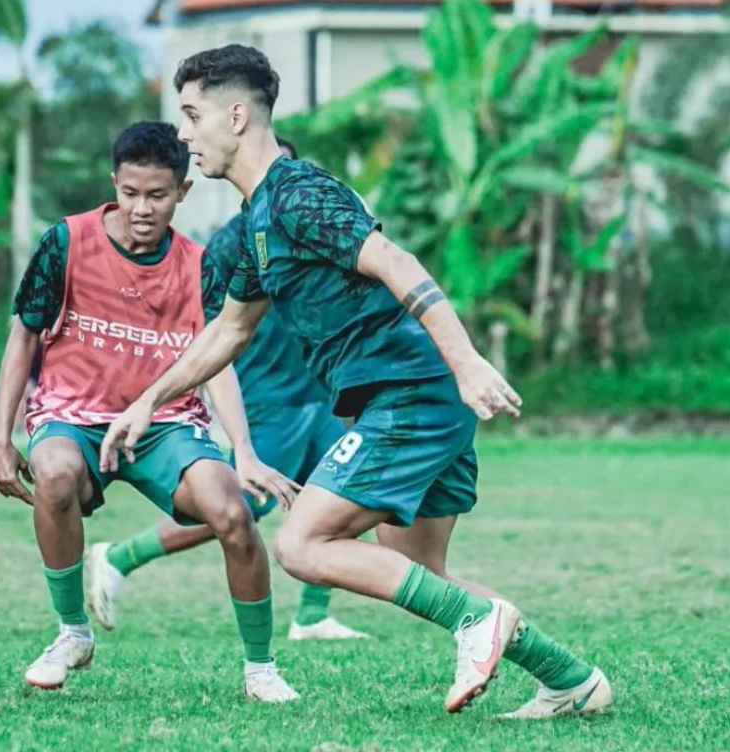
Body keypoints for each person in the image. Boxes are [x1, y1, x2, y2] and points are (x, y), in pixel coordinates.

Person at [100, 45, 613, 719]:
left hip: (411, 394)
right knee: (423, 575)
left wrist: (465, 361)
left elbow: (394, 260)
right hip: (407, 396)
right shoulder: (257, 220)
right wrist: (146, 401)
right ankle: (573, 680)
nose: (184, 135)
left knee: (302, 545)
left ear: (236, 115)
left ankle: (479, 623)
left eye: (192, 117)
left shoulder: (299, 193)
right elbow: (227, 334)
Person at [0, 121, 301, 702]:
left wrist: (245, 452)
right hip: (72, 415)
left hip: (167, 424)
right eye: (130, 193)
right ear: (114, 183)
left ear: (182, 192)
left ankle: (261, 668)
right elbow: (23, 336)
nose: (141, 208)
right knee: (54, 476)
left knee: (233, 513)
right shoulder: (67, 241)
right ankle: (71, 634)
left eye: (157, 196)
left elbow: (218, 358)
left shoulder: (200, 263)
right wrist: (0, 437)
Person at [88, 137, 368, 642]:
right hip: (269, 398)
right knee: (246, 507)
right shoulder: (228, 245)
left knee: (343, 495)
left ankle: (312, 614)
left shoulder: (313, 232)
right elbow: (209, 335)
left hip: (320, 394)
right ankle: (121, 556)